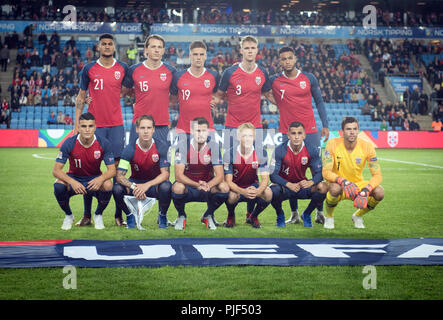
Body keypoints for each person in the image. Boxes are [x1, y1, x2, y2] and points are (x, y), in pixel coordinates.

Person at [270, 46, 329, 225]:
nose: (287, 61)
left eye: (290, 58)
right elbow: (259, 88)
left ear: (295, 59)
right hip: (287, 131)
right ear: (279, 61)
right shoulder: (274, 80)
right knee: (289, 173)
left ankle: (318, 211)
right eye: (283, 59)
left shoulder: (309, 78)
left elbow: (319, 101)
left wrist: (325, 125)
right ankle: (294, 213)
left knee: (316, 171)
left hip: (310, 130)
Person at [75, 33, 129, 226]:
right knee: (91, 170)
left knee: (116, 172)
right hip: (94, 127)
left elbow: (129, 90)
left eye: (110, 44)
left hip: (116, 126)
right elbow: (81, 97)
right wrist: (76, 127)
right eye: (103, 44)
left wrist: (117, 95)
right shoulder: (89, 68)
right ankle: (87, 215)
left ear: (114, 47)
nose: (107, 46)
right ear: (98, 47)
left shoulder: (122, 68)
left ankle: (118, 215)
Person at [52, 112, 116, 230]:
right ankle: (68, 215)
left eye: (90, 126)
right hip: (75, 178)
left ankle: (98, 215)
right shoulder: (69, 143)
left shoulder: (103, 143)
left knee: (108, 184)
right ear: (78, 127)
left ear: (95, 127)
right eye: (83, 126)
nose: (87, 129)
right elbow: (56, 170)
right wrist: (72, 182)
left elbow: (112, 171)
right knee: (58, 186)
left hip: (94, 179)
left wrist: (100, 178)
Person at [322, 117, 384, 229]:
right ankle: (329, 217)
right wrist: (342, 181)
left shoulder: (367, 146)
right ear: (342, 131)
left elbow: (377, 175)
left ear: (358, 130)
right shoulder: (332, 144)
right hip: (339, 184)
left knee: (379, 192)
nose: (352, 132)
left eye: (355, 129)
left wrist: (367, 189)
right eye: (348, 129)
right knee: (334, 189)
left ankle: (357, 216)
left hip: (357, 185)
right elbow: (326, 172)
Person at [214, 35, 276, 147]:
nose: (250, 51)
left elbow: (268, 94)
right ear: (241, 50)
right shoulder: (229, 72)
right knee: (230, 162)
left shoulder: (262, 72)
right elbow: (219, 95)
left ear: (257, 50)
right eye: (247, 48)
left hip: (255, 125)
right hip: (233, 124)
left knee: (256, 162)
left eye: (253, 48)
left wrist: (285, 104)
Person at [112, 115, 172, 229]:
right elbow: (119, 176)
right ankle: (129, 215)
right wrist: (134, 186)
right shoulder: (129, 149)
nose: (145, 131)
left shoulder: (161, 146)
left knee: (167, 186)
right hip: (135, 185)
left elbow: (165, 174)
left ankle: (162, 215)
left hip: (153, 186)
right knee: (116, 188)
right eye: (142, 128)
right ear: (137, 129)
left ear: (153, 129)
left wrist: (147, 185)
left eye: (149, 128)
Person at [171, 117, 229, 230]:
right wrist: (197, 185)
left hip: (207, 187)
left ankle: (208, 214)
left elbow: (220, 175)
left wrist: (208, 185)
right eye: (198, 131)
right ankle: (181, 215)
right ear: (192, 131)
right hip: (188, 186)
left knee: (224, 187)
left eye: (204, 131)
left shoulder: (214, 147)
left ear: (208, 132)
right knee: (177, 187)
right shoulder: (183, 146)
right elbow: (178, 175)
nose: (201, 134)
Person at [122, 34, 176, 150]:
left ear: (163, 50)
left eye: (160, 47)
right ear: (146, 49)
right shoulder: (134, 70)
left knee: (163, 165)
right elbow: (123, 91)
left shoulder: (171, 71)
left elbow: (175, 96)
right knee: (135, 162)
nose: (156, 50)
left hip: (161, 125)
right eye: (153, 47)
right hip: (139, 124)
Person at [270, 122, 327, 228]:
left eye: (299, 133)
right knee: (272, 191)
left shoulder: (311, 150)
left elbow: (320, 173)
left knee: (323, 187)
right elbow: (272, 175)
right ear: (288, 135)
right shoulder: (279, 150)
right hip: (285, 187)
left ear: (304, 135)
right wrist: (288, 184)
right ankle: (280, 215)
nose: (296, 137)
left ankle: (307, 214)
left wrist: (311, 182)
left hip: (302, 186)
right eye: (293, 133)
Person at [223, 123, 273, 228]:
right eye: (244, 136)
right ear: (238, 137)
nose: (247, 139)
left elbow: (265, 179)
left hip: (253, 186)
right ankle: (231, 215)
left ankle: (253, 216)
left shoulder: (261, 153)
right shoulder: (229, 153)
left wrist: (257, 191)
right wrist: (243, 192)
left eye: (250, 136)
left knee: (268, 193)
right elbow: (228, 181)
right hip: (236, 188)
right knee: (231, 196)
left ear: (254, 137)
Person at [171, 40, 219, 141]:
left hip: (207, 129)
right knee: (182, 157)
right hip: (184, 130)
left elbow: (219, 95)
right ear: (190, 56)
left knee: (215, 157)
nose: (198, 57)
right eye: (195, 54)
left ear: (205, 56)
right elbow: (173, 98)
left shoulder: (213, 76)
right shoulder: (178, 76)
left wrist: (216, 100)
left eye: (201, 54)